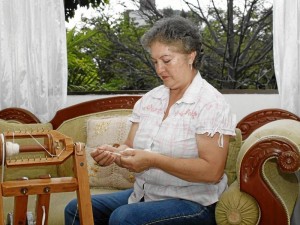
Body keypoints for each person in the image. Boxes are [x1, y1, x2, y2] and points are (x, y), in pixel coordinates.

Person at [65, 15, 236, 225]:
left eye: (166, 61)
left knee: (124, 218)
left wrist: (152, 160)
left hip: (194, 202)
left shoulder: (211, 104)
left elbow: (212, 172)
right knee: (77, 209)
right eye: (155, 61)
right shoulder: (150, 100)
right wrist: (114, 153)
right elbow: (130, 146)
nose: (159, 69)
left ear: (190, 56)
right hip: (147, 193)